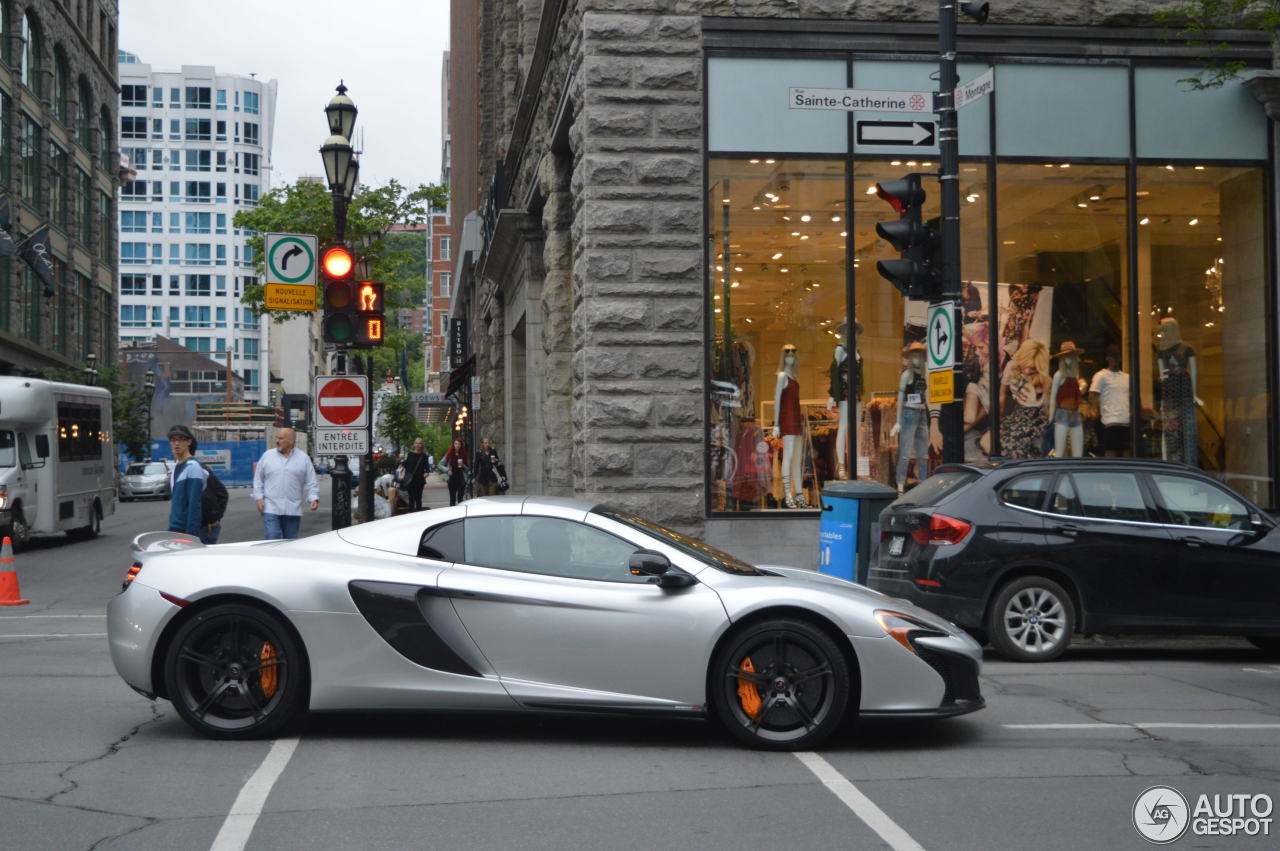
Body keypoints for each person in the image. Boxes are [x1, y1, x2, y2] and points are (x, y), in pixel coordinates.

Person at [252, 427, 319, 539]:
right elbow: (258, 479)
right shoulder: (267, 456)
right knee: (272, 536)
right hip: (270, 507)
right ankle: (272, 557)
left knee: (290, 541)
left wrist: (313, 498)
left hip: (292, 509)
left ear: (291, 441)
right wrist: (258, 497)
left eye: (281, 438)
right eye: (277, 438)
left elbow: (312, 482)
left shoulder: (303, 458)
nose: (277, 441)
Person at [1089, 343, 1131, 457]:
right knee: (1110, 453)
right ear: (1107, 357)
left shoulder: (1127, 377)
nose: (1115, 359)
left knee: (1127, 453)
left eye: (1117, 356)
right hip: (1109, 421)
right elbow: (1093, 395)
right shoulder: (1101, 375)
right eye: (1112, 356)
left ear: (1120, 357)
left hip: (1126, 421)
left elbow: (1133, 396)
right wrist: (1096, 412)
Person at [167, 425, 207, 538]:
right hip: (175, 528)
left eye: (181, 439)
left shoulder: (193, 467)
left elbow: (194, 505)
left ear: (189, 442)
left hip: (185, 531)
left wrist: (191, 535)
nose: (176, 443)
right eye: (173, 440)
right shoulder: (176, 466)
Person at [401, 438, 430, 510]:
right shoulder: (410, 454)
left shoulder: (424, 456)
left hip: (419, 480)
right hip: (410, 480)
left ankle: (418, 514)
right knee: (411, 499)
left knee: (418, 498)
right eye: (416, 443)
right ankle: (411, 514)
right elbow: (406, 465)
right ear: (414, 444)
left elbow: (427, 467)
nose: (418, 445)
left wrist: (426, 473)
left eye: (420, 443)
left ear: (422, 445)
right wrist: (402, 462)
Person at [442, 437, 469, 506]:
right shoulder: (449, 454)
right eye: (456, 444)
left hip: (461, 477)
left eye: (459, 444)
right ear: (453, 445)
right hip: (452, 477)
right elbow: (440, 465)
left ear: (461, 445)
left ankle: (460, 512)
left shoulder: (463, 454)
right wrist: (447, 470)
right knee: (452, 499)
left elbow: (467, 469)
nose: (457, 445)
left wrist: (463, 465)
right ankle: (453, 513)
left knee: (460, 498)